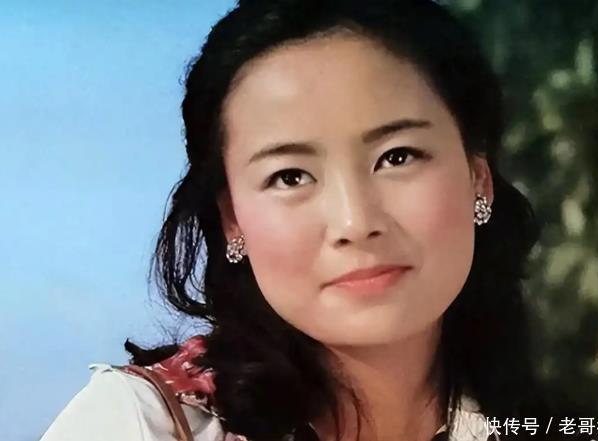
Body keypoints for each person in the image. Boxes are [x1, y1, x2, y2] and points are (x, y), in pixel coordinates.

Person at [40, 0, 548, 440]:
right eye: (290, 177)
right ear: (232, 219)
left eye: (397, 157)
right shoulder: (139, 424)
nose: (354, 223)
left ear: (478, 177)